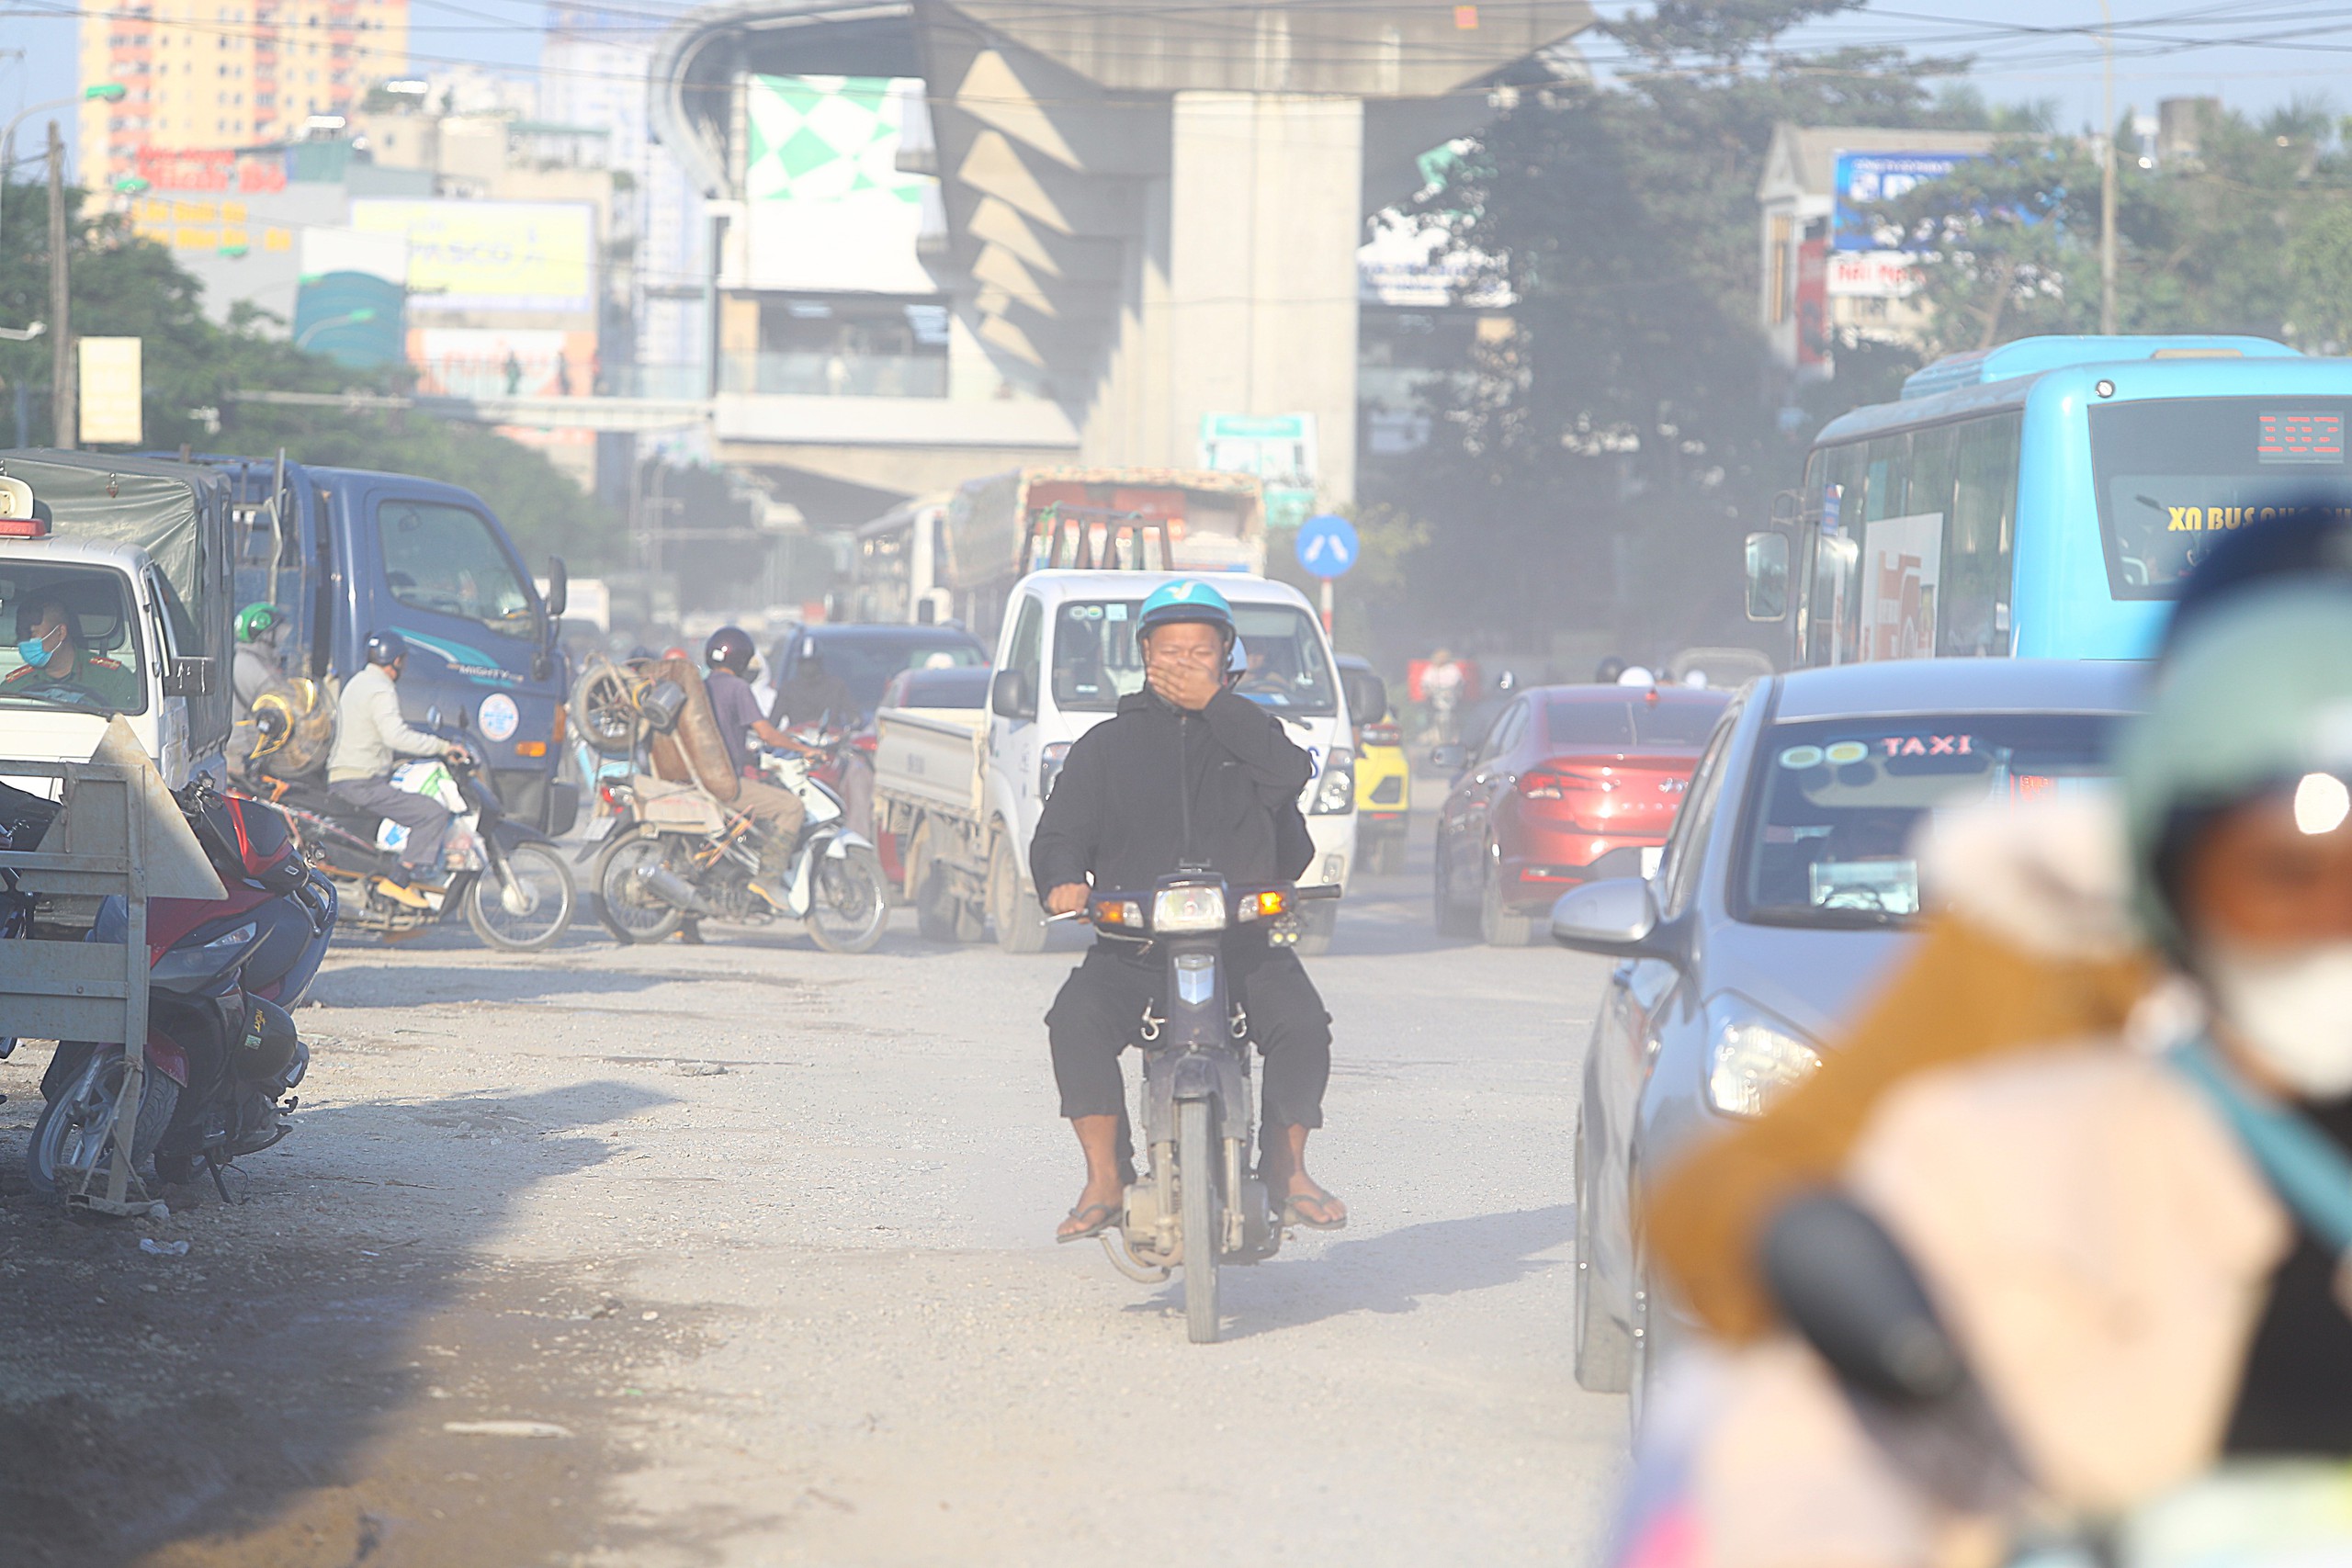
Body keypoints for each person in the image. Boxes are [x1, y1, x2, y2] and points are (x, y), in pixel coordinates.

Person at [1634, 584, 2352, 1561]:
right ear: (2173, 870)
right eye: (2285, 870)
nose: (2327, 920)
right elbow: (1745, 1240)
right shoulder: (2023, 1049)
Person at [1032, 579, 1347, 1242]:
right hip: (1135, 952)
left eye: (1199, 650)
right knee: (1073, 1020)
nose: (1182, 661)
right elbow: (1059, 835)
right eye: (1168, 648)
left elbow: (1292, 774)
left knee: (1302, 1023)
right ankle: (1105, 1177)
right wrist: (1063, 880)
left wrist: (1217, 707)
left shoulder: (1254, 737)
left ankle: (1289, 1171)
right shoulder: (1104, 747)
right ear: (1144, 655)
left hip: (1242, 949)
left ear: (1227, 657)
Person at [326, 631, 471, 900]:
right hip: (362, 781)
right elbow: (395, 735)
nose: (403, 667)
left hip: (346, 774)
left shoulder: (358, 681)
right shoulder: (381, 688)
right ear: (394, 662)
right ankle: (400, 879)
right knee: (431, 813)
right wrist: (442, 746)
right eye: (402, 661)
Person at [702, 626, 810, 908]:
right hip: (727, 783)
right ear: (740, 659)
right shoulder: (738, 689)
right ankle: (768, 880)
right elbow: (768, 734)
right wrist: (806, 749)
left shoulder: (702, 687)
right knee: (791, 808)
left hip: (703, 778)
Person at [2, 592, 138, 711]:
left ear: (61, 633)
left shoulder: (113, 679)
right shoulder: (13, 687)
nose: (23, 642)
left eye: (32, 634)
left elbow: (130, 733)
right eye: (21, 635)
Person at [229, 602, 289, 772]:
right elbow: (285, 706)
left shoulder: (240, 659)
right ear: (265, 635)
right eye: (276, 633)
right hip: (245, 757)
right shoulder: (258, 671)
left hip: (235, 751)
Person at [769, 640, 855, 730]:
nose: (808, 666)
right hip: (796, 742)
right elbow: (772, 723)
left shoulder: (837, 686)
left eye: (812, 661)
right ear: (798, 663)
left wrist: (850, 728)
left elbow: (854, 717)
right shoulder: (788, 689)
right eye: (804, 662)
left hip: (831, 740)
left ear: (819, 662)